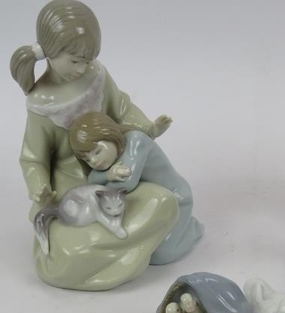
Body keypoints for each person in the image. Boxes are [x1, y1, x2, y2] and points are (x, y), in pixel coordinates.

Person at [11, 0, 182, 290]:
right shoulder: (41, 102)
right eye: (74, 61)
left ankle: (115, 251)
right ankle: (114, 252)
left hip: (114, 179)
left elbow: (122, 108)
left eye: (87, 60)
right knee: (67, 252)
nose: (81, 68)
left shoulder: (97, 76)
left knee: (163, 202)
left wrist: (148, 127)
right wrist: (41, 188)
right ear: (50, 52)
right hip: (74, 194)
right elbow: (33, 158)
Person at [69, 112, 203, 264]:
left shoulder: (136, 140)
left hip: (177, 199)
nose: (94, 161)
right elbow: (92, 179)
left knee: (161, 255)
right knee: (143, 250)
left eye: (97, 152)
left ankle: (194, 229)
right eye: (87, 159)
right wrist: (107, 175)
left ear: (111, 136)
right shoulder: (109, 159)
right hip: (151, 205)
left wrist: (103, 183)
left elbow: (125, 184)